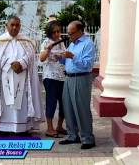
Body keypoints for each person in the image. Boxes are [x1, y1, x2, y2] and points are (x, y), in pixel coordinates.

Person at [0, 16, 44, 137]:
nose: (15, 27)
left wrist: (22, 63)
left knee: (22, 103)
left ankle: (23, 129)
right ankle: (4, 129)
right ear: (6, 26)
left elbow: (30, 55)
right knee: (6, 104)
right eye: (12, 25)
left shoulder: (26, 41)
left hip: (23, 77)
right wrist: (11, 64)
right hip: (5, 79)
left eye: (17, 25)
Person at [58, 20, 96, 149]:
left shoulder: (88, 44)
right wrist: (61, 58)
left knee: (81, 108)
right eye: (68, 34)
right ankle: (72, 135)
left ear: (80, 31)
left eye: (71, 33)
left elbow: (87, 64)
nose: (69, 36)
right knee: (68, 107)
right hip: (68, 78)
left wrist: (72, 56)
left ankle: (88, 139)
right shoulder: (72, 44)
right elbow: (67, 61)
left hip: (81, 78)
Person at [39, 20, 67, 138]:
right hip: (50, 77)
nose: (57, 34)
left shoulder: (61, 43)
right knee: (51, 102)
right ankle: (49, 129)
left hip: (62, 77)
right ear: (49, 32)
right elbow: (41, 58)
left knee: (63, 102)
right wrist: (48, 49)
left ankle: (59, 126)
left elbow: (65, 55)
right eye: (54, 32)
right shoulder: (46, 42)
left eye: (58, 31)